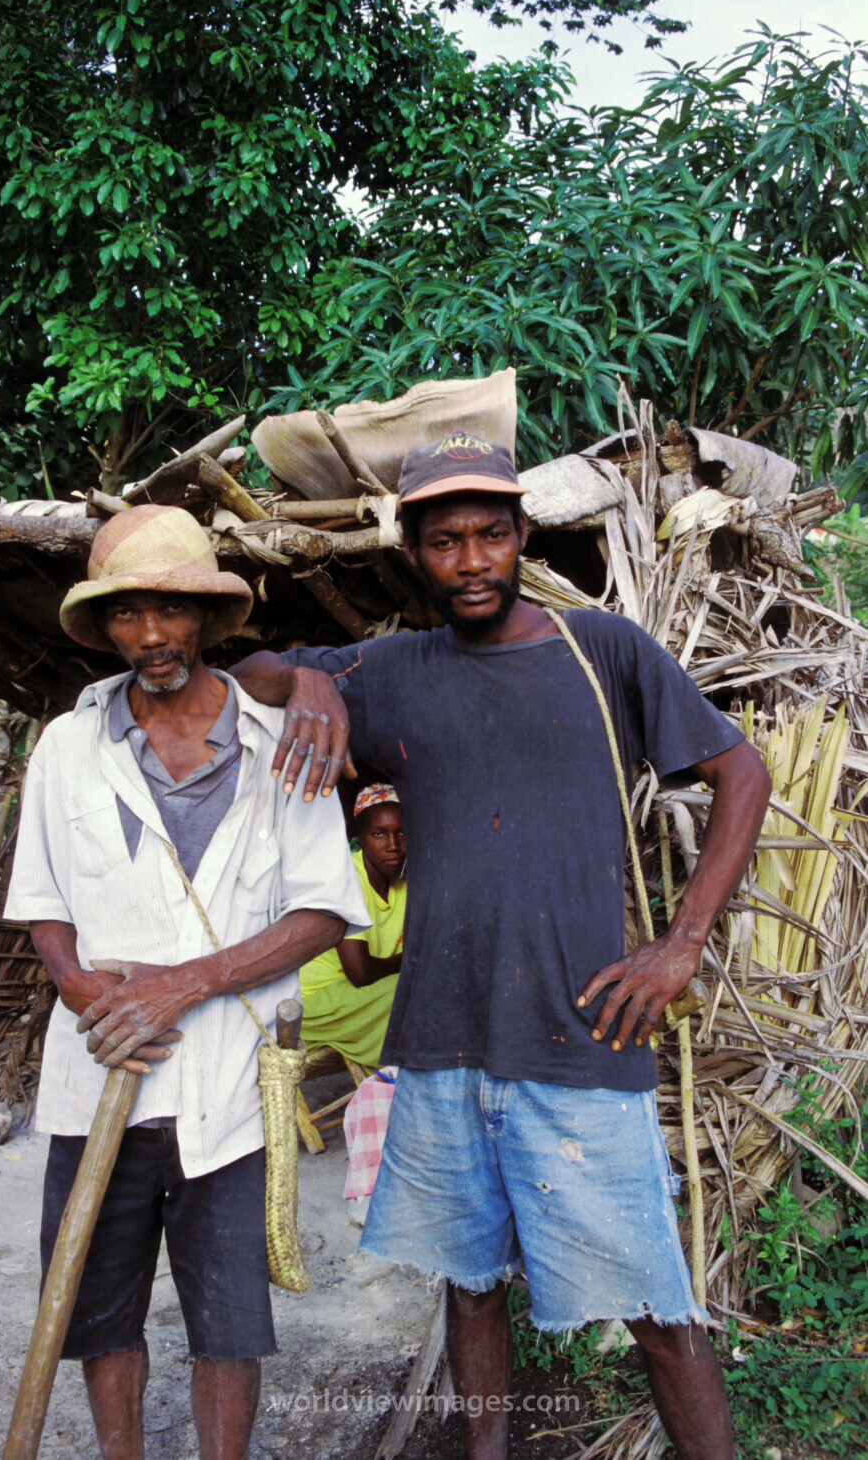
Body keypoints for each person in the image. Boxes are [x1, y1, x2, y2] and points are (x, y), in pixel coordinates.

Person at [231, 431, 773, 1460]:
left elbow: (738, 774)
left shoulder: (601, 650)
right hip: (440, 1045)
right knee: (468, 1288)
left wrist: (679, 945)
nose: (470, 560)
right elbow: (250, 668)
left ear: (521, 536)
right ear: (412, 554)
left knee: (657, 1310)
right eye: (444, 542)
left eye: (489, 535)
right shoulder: (390, 669)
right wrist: (306, 682)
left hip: (581, 1037)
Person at [4, 504, 368, 1460]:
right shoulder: (65, 748)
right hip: (99, 1077)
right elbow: (42, 902)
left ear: (208, 617)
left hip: (228, 1086)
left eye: (172, 611)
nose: (152, 636)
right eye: (129, 615)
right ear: (105, 625)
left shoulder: (279, 742)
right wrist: (84, 990)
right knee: (96, 1309)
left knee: (229, 1324)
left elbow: (324, 909)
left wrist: (185, 983)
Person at [299, 783, 406, 1069]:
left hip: (360, 997)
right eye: (379, 834)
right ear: (361, 837)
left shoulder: (406, 882)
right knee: (410, 991)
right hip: (315, 1005)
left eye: (402, 832)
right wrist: (408, 960)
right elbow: (359, 973)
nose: (393, 845)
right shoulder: (346, 877)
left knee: (425, 988)